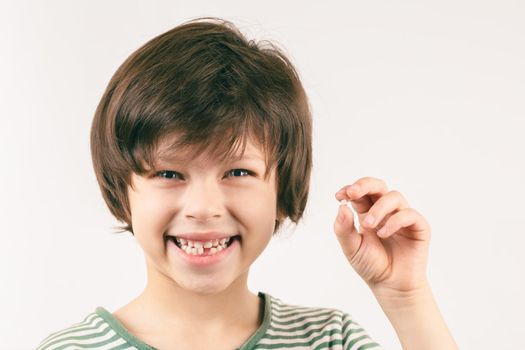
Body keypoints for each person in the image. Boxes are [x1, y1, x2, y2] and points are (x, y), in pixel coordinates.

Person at [36, 16, 458, 350]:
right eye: (168, 173)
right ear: (121, 192)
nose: (203, 207)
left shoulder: (329, 341)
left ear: (282, 190)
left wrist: (406, 298)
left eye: (237, 172)